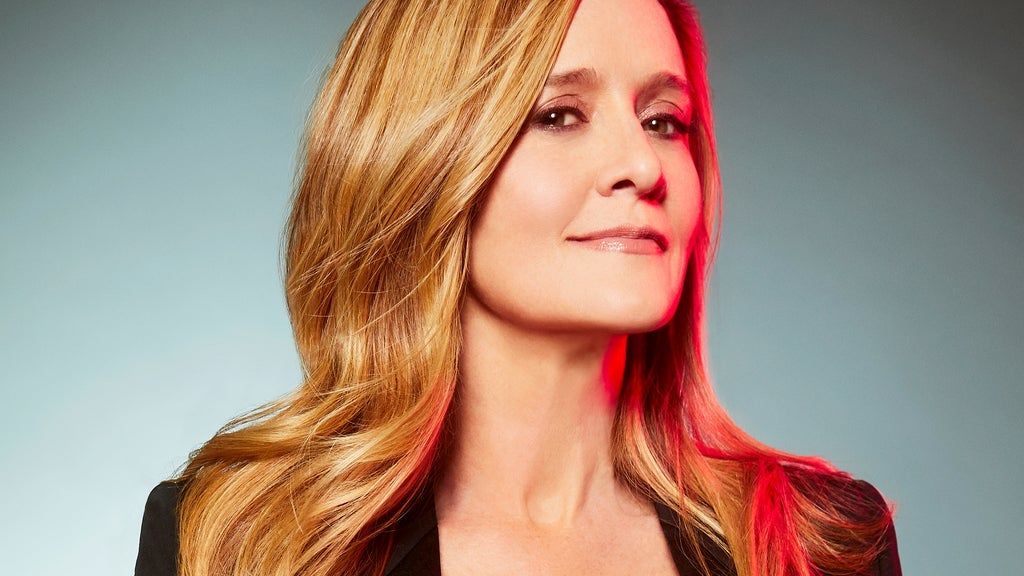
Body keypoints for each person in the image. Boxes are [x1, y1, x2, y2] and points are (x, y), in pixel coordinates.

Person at [135, 0, 902, 574]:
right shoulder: (239, 543)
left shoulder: (820, 545)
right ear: (422, 166)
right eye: (561, 115)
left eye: (663, 120)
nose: (643, 166)